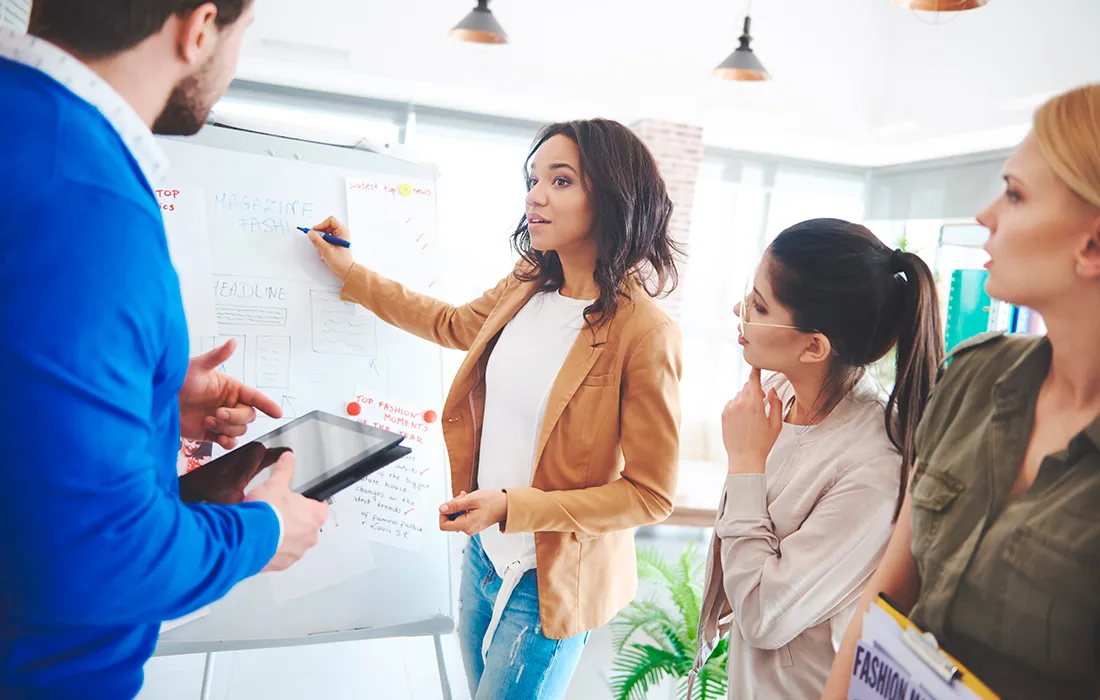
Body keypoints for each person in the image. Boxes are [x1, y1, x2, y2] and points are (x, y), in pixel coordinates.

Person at [0, 3, 328, 697]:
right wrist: (262, 534)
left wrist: (146, 402)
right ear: (200, 27)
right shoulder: (87, 202)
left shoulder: (25, 134)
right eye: (244, 35)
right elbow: (98, 564)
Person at [305, 118, 683, 699]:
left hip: (548, 579)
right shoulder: (529, 281)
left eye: (561, 181)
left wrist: (512, 506)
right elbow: (451, 323)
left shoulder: (645, 332)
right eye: (534, 179)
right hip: (483, 555)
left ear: (611, 198)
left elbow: (650, 494)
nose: (535, 195)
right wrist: (351, 273)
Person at [822, 84, 1100, 700]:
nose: (986, 215)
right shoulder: (975, 376)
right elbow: (886, 598)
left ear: (1092, 244)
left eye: (1016, 194)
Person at [690, 219, 945, 699]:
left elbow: (765, 616)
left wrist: (746, 463)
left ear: (814, 346)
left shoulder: (874, 464)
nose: (738, 310)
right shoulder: (778, 395)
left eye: (759, 305)